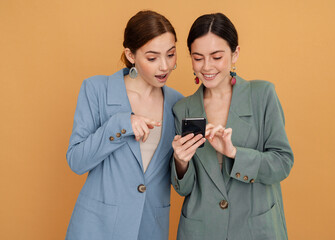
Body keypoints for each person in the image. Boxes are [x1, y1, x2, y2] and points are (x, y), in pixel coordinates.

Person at [171, 13, 294, 240]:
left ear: (235, 53)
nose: (206, 67)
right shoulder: (183, 109)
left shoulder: (262, 95)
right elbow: (184, 189)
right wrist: (181, 162)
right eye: (198, 58)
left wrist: (234, 153)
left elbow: (282, 163)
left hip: (255, 229)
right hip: (201, 230)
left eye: (216, 57)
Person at [65, 10, 182, 240]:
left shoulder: (178, 103)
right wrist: (121, 124)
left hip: (151, 227)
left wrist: (182, 161)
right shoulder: (96, 90)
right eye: (152, 58)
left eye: (170, 54)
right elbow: (77, 161)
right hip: (98, 228)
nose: (164, 66)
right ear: (130, 55)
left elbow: (177, 178)